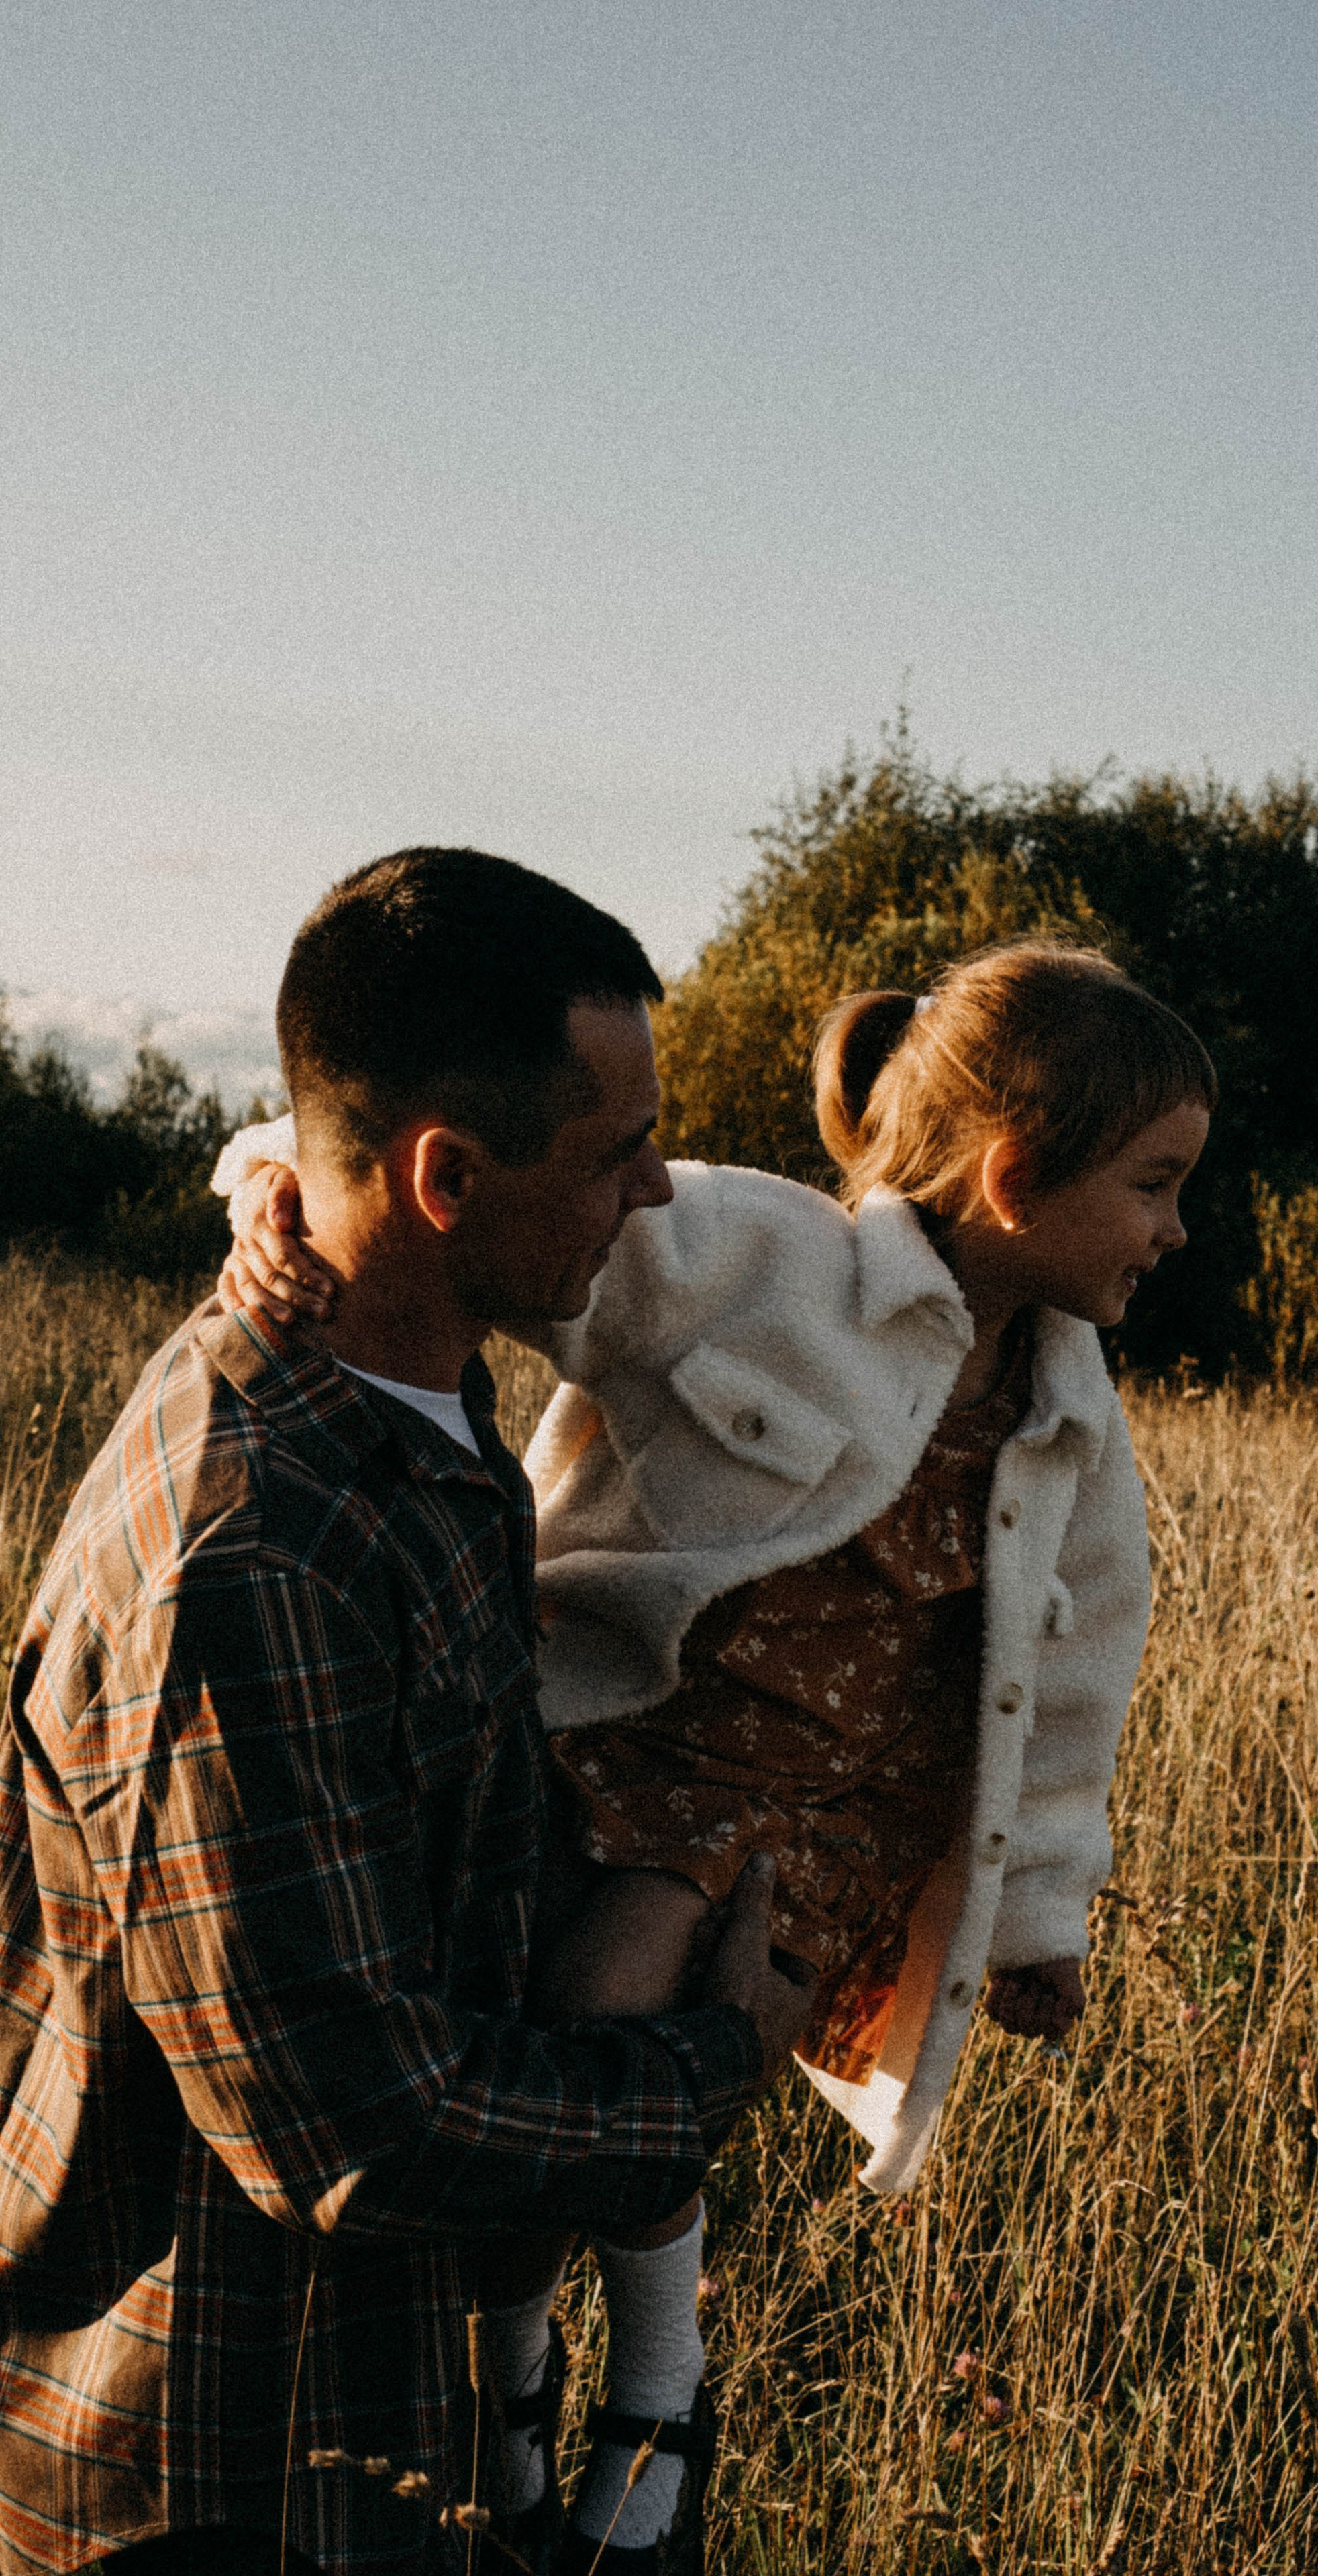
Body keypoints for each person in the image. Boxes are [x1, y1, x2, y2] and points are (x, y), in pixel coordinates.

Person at [219, 938, 1215, 2572]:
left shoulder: (1066, 1408)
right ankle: (527, 2376)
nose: (1175, 1231)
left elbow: (1077, 1664)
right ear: (1019, 1176)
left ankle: (655, 2384)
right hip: (634, 1747)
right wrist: (275, 1206)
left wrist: (1039, 1916)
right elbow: (384, 1169)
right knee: (577, 2046)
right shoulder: (769, 1258)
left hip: (833, 1808)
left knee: (627, 2046)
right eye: (1155, 1186)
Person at [0, 849, 811, 2576]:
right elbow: (348, 2128)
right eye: (611, 1153)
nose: (655, 1191)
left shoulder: (421, 1401)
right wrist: (700, 2065)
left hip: (367, 2417)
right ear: (446, 1176)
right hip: (209, 2464)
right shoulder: (254, 1550)